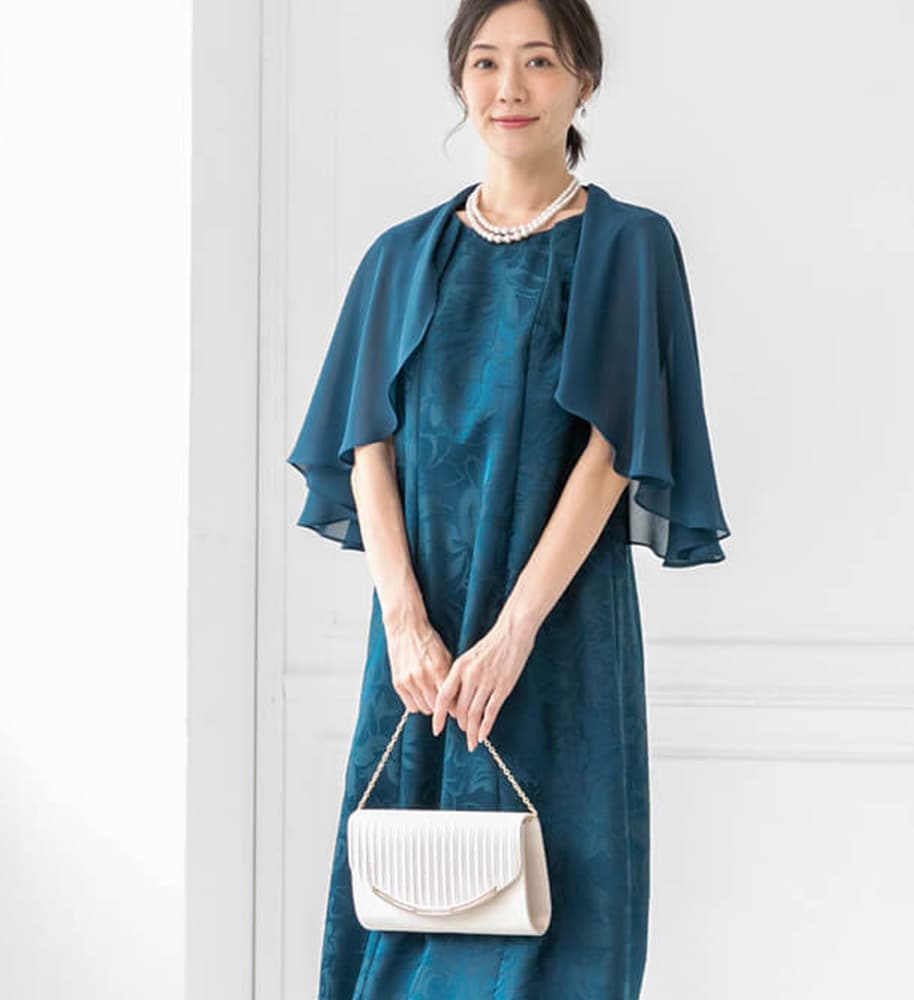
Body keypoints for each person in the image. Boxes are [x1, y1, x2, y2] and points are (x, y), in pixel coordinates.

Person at [286, 1, 731, 996]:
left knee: (558, 935)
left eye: (539, 61)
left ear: (583, 80)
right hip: (421, 658)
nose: (509, 88)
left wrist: (516, 631)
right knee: (404, 925)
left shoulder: (628, 246)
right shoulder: (400, 258)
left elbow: (614, 453)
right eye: (485, 62)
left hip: (558, 640)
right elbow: (366, 446)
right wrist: (404, 623)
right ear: (460, 80)